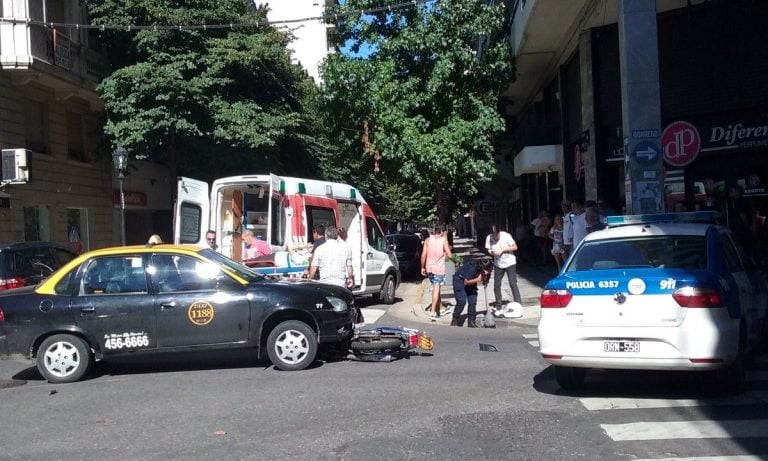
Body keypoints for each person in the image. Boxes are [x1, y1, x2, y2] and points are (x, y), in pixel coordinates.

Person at [421, 226, 453, 319]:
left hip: (429, 268)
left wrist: (422, 267)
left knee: (436, 289)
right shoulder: (443, 241)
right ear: (442, 232)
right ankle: (433, 311)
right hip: (438, 268)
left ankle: (441, 309)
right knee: (436, 288)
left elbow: (423, 255)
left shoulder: (427, 240)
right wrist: (456, 262)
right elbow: (450, 255)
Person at [484, 225, 522, 307]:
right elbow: (488, 249)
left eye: (496, 235)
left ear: (499, 233)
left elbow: (515, 247)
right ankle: (498, 303)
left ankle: (518, 302)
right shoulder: (489, 238)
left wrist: (503, 249)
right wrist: (492, 252)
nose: (495, 237)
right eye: (493, 235)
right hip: (498, 263)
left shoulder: (506, 236)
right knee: (496, 284)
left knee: (512, 283)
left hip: (510, 262)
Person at [451, 259, 492, 328]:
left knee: (473, 300)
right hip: (460, 281)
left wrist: (485, 280)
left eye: (488, 270)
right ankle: (455, 319)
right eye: (486, 270)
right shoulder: (473, 268)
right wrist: (477, 280)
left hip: (471, 282)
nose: (487, 272)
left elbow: (486, 279)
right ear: (481, 267)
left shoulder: (487, 270)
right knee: (462, 301)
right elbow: (466, 282)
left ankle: (471, 321)